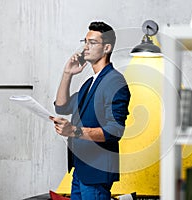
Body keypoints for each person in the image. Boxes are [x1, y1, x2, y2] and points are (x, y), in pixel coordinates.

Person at [50, 21, 131, 200]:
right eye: (85, 42)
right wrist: (67, 74)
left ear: (107, 47)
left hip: (96, 171)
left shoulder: (115, 82)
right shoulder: (89, 83)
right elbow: (62, 106)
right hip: (80, 169)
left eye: (92, 43)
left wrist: (73, 131)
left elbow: (115, 130)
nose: (85, 47)